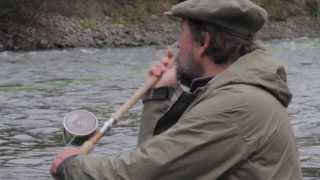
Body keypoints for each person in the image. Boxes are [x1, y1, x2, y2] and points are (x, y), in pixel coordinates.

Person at [50, 0, 302, 179]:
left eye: (180, 35)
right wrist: (157, 95)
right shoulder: (231, 94)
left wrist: (71, 166)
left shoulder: (237, 105)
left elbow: (143, 173)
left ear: (203, 42)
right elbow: (158, 159)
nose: (175, 47)